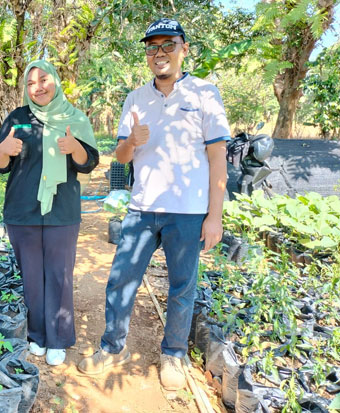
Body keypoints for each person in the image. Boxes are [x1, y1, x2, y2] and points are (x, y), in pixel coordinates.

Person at [77, 18, 230, 390]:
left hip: (189, 211)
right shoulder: (136, 98)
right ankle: (112, 347)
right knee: (121, 279)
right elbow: (122, 156)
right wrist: (133, 140)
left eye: (168, 45)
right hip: (142, 209)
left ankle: (174, 354)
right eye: (152, 47)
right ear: (146, 54)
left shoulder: (205, 94)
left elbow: (217, 158)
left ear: (183, 49)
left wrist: (214, 216)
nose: (159, 53)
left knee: (182, 286)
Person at [0, 60, 99, 366]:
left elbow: (88, 162)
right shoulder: (17, 118)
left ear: (56, 82)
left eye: (43, 80)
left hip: (61, 212)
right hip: (22, 211)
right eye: (31, 83)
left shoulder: (74, 118)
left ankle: (59, 338)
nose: (37, 87)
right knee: (32, 277)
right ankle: (37, 334)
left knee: (59, 274)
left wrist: (73, 146)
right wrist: (4, 149)